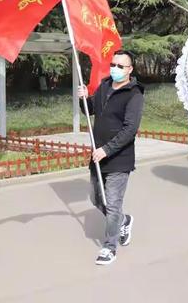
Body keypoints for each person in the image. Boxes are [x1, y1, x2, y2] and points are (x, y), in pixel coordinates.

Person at [78, 50, 144, 266]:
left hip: (118, 159)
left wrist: (107, 149)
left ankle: (109, 247)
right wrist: (83, 98)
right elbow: (91, 110)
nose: (115, 69)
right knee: (97, 199)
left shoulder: (134, 95)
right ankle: (124, 220)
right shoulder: (105, 86)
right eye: (113, 64)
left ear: (130, 70)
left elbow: (130, 129)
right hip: (98, 157)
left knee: (113, 204)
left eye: (120, 66)